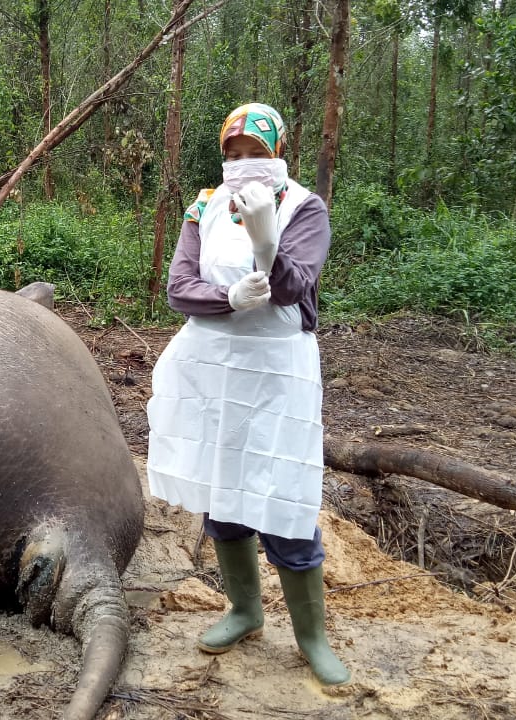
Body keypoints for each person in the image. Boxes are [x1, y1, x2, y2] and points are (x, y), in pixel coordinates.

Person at [145, 103, 349, 685]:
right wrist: (227, 299)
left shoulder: (306, 208)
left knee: (284, 494)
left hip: (277, 370)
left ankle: (312, 637)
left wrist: (267, 242)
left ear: (277, 154)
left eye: (255, 155)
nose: (243, 165)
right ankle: (243, 610)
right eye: (233, 155)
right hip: (213, 365)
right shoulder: (203, 206)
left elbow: (294, 288)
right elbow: (180, 288)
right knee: (224, 490)